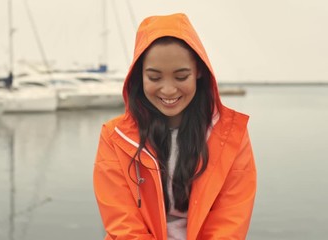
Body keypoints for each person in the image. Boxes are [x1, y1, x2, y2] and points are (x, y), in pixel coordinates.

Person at [93, 13, 257, 240]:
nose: (168, 90)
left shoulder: (231, 135)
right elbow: (123, 225)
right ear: (139, 76)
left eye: (181, 77)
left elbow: (230, 221)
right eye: (154, 77)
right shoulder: (115, 137)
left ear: (199, 72)